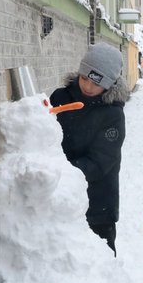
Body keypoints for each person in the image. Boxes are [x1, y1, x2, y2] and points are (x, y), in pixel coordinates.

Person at [50, 44, 128, 255]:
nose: (88, 87)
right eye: (85, 78)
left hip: (97, 204)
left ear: (110, 83)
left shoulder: (112, 114)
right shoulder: (60, 97)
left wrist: (62, 174)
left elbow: (101, 161)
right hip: (57, 198)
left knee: (98, 265)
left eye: (97, 82)